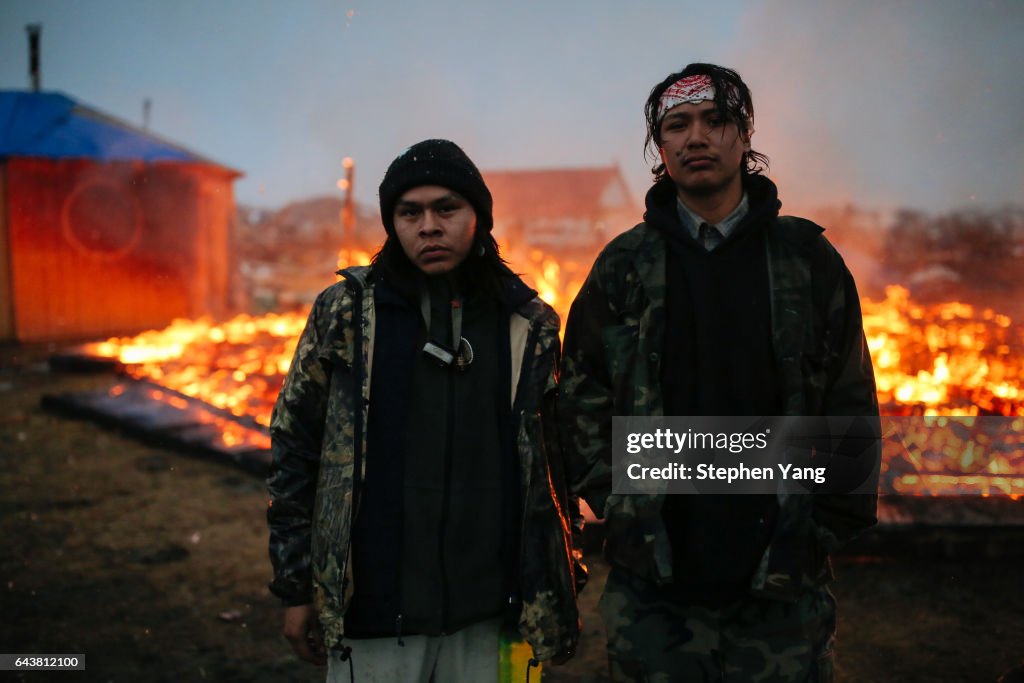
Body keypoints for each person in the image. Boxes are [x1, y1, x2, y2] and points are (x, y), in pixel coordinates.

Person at [558, 63, 880, 682]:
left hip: (780, 582)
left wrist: (822, 523)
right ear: (661, 148)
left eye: (715, 120)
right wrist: (619, 499)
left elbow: (850, 393)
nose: (695, 137)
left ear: (744, 135)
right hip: (655, 585)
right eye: (676, 125)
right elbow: (580, 395)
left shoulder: (805, 260)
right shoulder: (624, 266)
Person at [267, 139, 579, 682]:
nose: (428, 226)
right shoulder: (347, 315)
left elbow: (556, 463)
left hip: (497, 619)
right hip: (375, 616)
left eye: (446, 209)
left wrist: (558, 580)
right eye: (410, 213)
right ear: (392, 224)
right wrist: (298, 586)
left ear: (477, 216)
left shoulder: (528, 325)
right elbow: (296, 446)